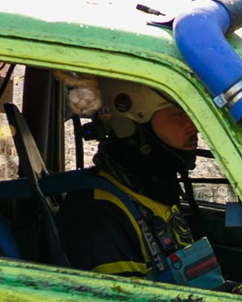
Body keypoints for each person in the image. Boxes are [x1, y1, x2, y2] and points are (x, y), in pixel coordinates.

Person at [58, 82, 224, 288]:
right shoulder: (99, 214)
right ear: (131, 125)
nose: (194, 125)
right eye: (178, 114)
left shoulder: (153, 190)